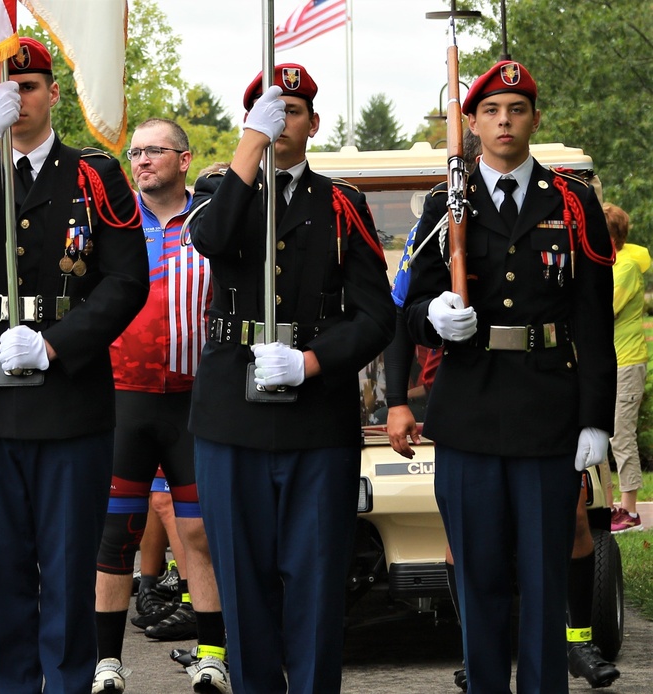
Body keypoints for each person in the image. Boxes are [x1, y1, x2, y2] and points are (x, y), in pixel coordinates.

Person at [0, 37, 149, 694]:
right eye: (3, 88)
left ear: (52, 93)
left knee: (70, 568)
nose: (17, 98)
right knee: (3, 568)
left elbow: (125, 281)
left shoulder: (94, 175)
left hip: (69, 397)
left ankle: (71, 683)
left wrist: (57, 344)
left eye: (29, 86)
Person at [403, 61, 616, 694]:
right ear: (470, 122)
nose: (504, 121)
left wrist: (594, 421)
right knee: (479, 576)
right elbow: (406, 310)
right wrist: (434, 316)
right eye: (491, 111)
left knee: (545, 578)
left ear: (534, 119)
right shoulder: (447, 202)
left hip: (548, 414)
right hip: (468, 412)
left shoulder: (573, 203)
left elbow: (594, 324)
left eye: (517, 109)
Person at [188, 64, 395, 693]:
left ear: (314, 124)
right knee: (243, 581)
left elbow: (376, 315)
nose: (282, 122)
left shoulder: (340, 203)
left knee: (316, 580)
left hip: (316, 420)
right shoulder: (220, 192)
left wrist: (313, 362)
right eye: (268, 112)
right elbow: (215, 239)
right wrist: (250, 148)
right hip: (233, 419)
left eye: (293, 111)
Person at [92, 118, 227, 694]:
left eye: (154, 151)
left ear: (185, 159)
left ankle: (213, 655)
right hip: (124, 397)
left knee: (198, 535)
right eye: (136, 151)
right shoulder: (116, 224)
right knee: (116, 533)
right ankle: (106, 663)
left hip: (195, 402)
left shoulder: (212, 221)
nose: (142, 160)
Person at [603, 202, 649, 533]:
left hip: (627, 361)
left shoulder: (625, 269)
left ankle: (629, 512)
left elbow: (604, 311)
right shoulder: (611, 264)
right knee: (604, 433)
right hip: (611, 361)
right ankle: (611, 505)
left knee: (621, 434)